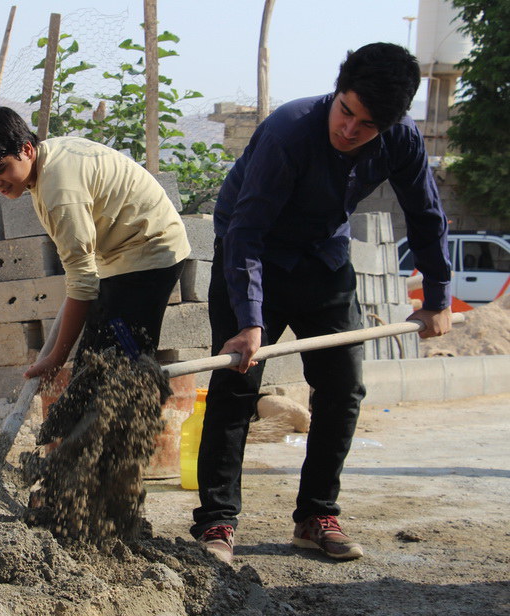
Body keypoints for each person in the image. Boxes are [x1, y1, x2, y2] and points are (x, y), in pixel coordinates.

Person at [191, 43, 452, 564]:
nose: (350, 130)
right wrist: (249, 322)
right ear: (338, 89)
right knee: (237, 386)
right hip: (253, 254)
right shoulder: (290, 131)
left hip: (323, 260)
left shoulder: (401, 139)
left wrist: (439, 297)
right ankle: (217, 523)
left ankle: (316, 516)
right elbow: (246, 231)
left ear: (392, 123)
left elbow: (426, 215)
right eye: (346, 111)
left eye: (367, 125)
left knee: (343, 388)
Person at [0, 106, 191, 378]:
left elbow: (82, 281)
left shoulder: (59, 192)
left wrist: (56, 359)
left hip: (150, 253)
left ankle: (138, 409)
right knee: (91, 367)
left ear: (27, 150)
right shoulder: (47, 159)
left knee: (118, 370)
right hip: (118, 256)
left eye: (0, 169)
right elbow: (82, 277)